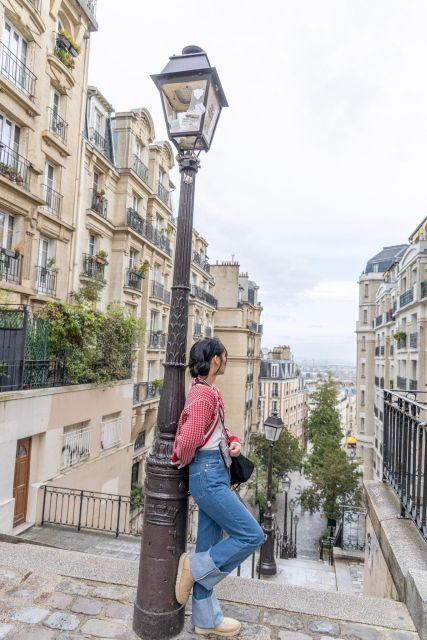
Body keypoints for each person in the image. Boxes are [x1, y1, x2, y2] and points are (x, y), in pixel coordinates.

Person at [172, 337, 264, 638]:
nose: (226, 360)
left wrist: (232, 442)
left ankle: (205, 619)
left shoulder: (208, 392)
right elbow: (186, 441)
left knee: (209, 547)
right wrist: (188, 462)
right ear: (215, 360)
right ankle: (194, 567)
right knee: (251, 534)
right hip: (209, 475)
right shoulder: (203, 396)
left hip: (214, 471)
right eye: (224, 356)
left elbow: (213, 432)